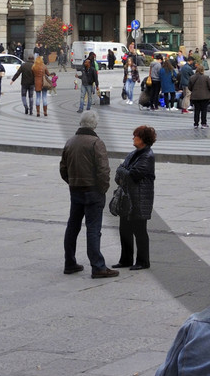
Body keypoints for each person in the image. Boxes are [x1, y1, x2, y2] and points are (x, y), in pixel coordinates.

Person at [60, 111, 116, 278]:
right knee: (93, 228)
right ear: (95, 125)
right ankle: (98, 266)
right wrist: (103, 188)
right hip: (92, 191)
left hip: (75, 189)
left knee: (73, 227)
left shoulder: (70, 142)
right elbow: (103, 170)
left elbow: (63, 168)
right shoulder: (96, 143)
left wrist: (72, 181)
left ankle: (69, 262)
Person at [113, 125, 157, 270]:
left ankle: (143, 261)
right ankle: (125, 259)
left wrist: (123, 170)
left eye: (135, 136)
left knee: (139, 231)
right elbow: (118, 175)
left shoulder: (148, 156)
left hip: (140, 200)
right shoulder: (133, 154)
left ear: (143, 139)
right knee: (124, 229)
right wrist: (123, 171)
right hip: (127, 198)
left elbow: (133, 175)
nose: (133, 138)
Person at [189, 62, 210, 128]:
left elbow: (189, 87)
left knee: (196, 110)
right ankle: (203, 123)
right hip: (204, 97)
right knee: (204, 110)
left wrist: (194, 91)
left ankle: (196, 124)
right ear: (203, 70)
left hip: (195, 97)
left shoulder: (192, 77)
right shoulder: (206, 77)